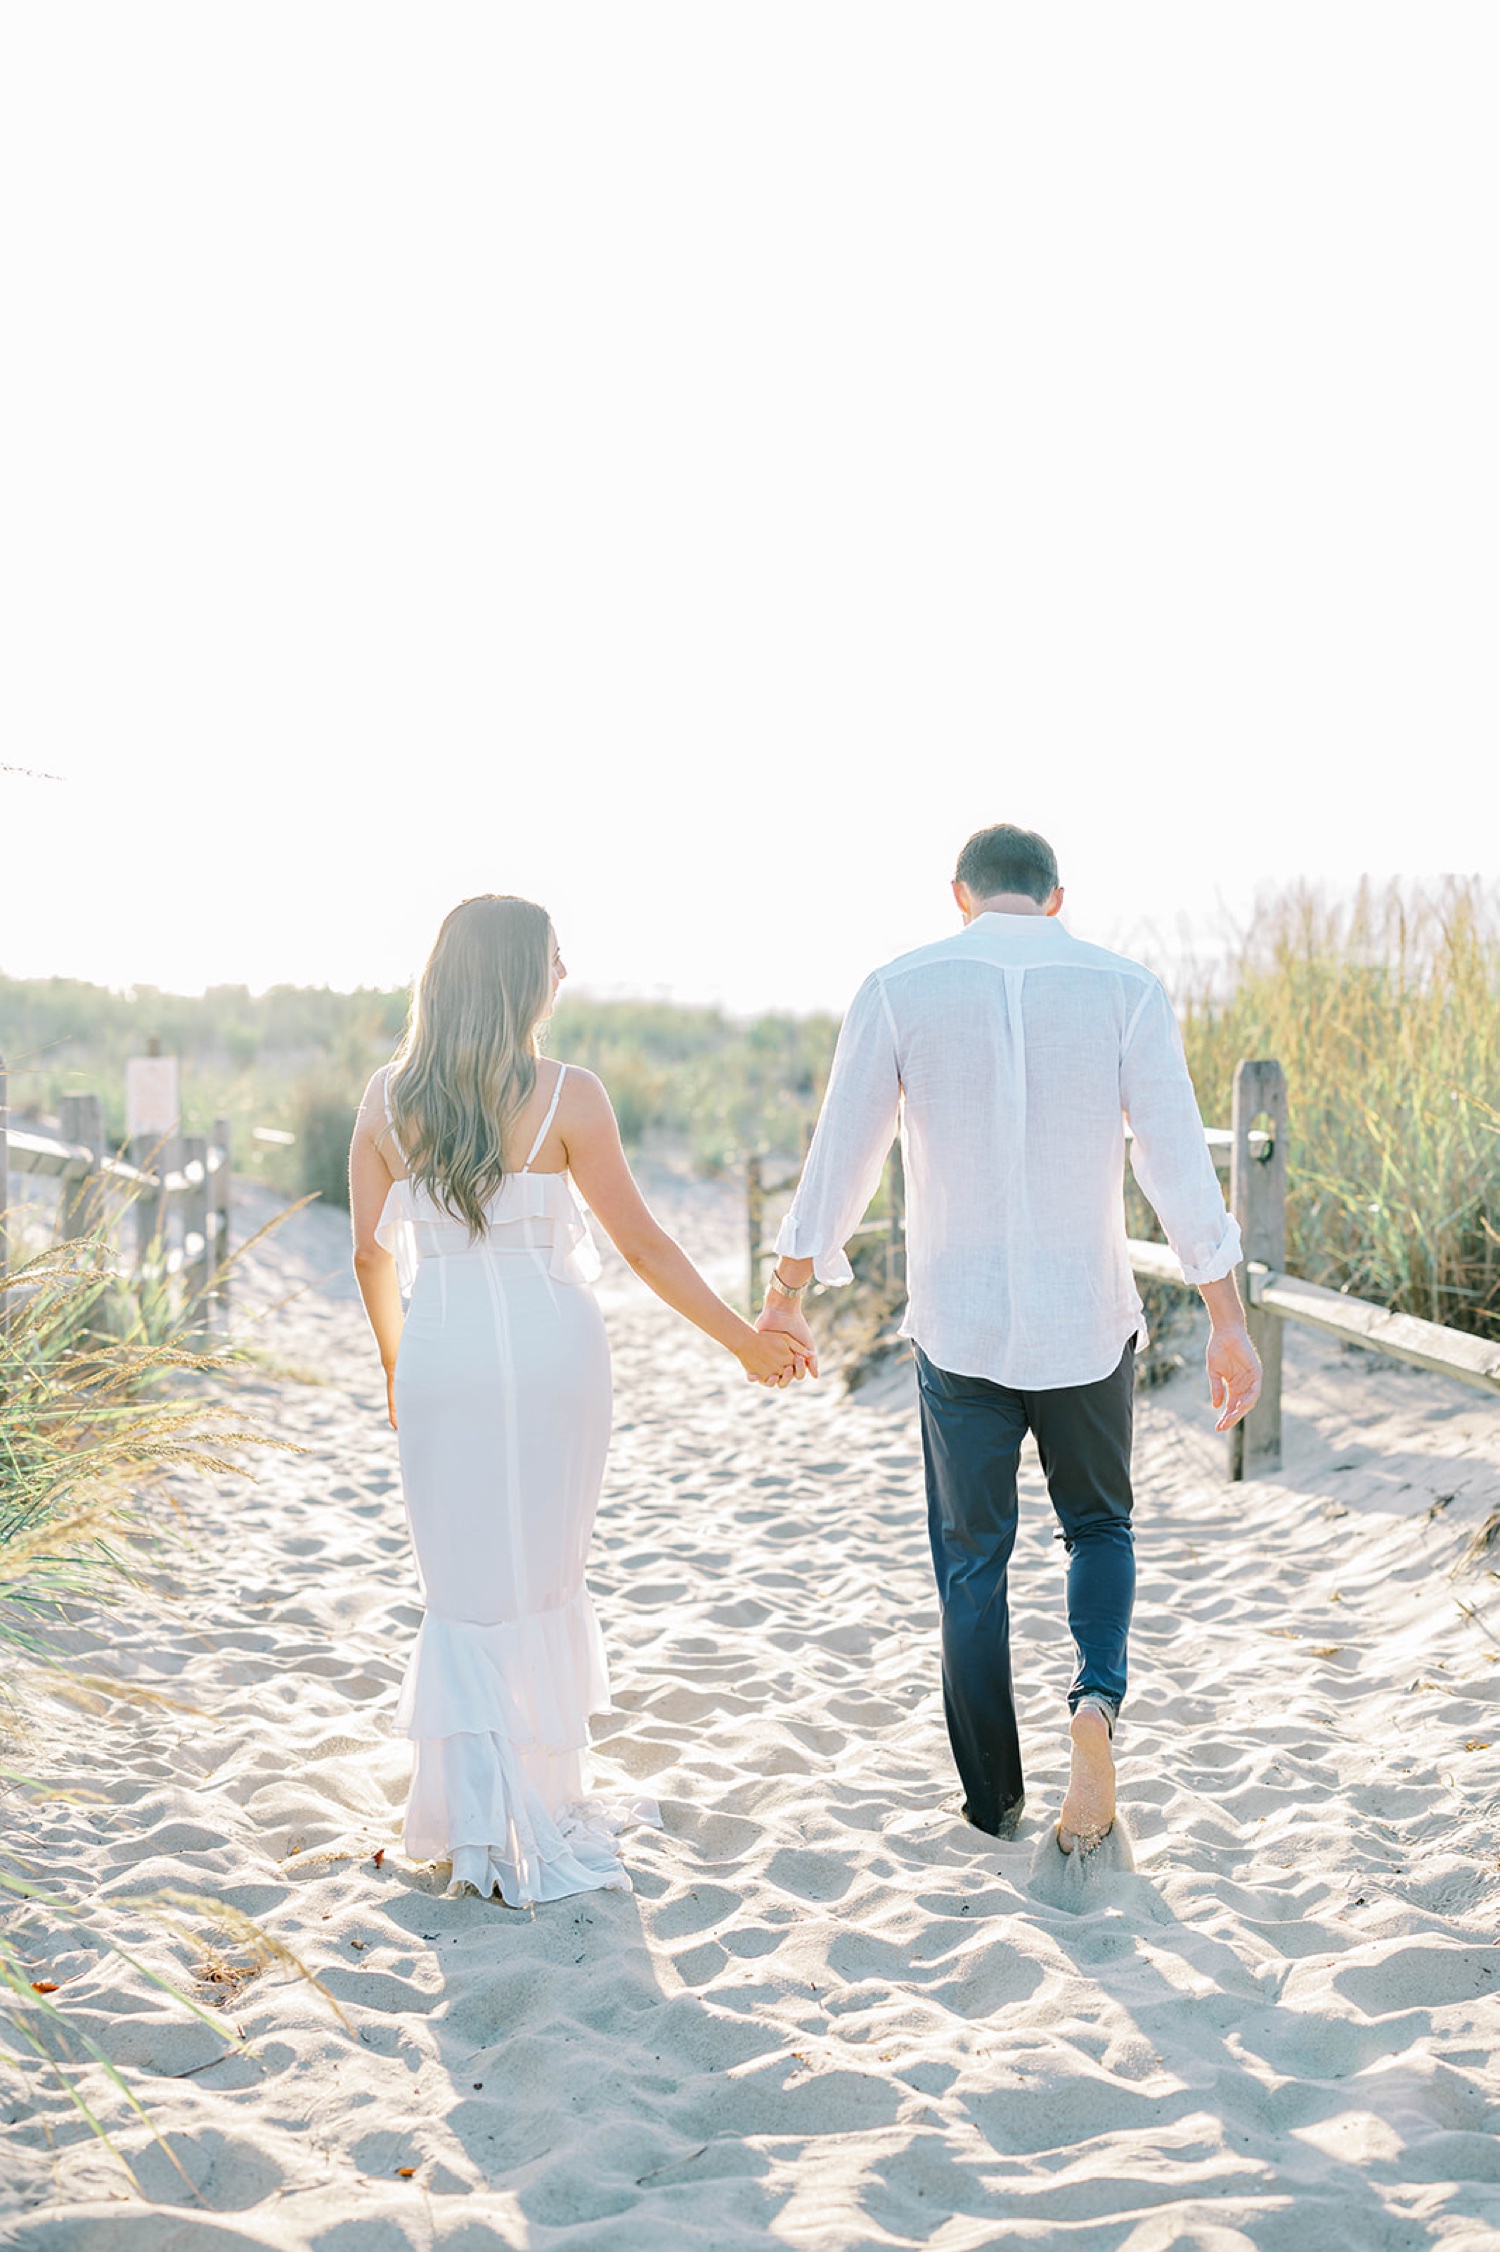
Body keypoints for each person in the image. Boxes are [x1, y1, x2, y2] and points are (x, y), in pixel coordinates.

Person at [756, 824, 1261, 1854]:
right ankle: (1095, 1701)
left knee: (972, 1563)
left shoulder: (902, 985)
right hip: (1088, 1318)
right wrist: (1228, 1320)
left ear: (960, 895)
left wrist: (787, 1290)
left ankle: (995, 1800)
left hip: (961, 1325)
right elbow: (1176, 1165)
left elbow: (841, 1151)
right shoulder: (1125, 988)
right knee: (1100, 1527)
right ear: (1057, 896)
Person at [350, 894, 807, 1907]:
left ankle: (474, 1817)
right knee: (544, 1576)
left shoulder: (384, 1100)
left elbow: (369, 1253)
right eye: (555, 956)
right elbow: (642, 1244)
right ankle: (544, 1797)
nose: (566, 969)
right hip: (557, 1352)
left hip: (440, 1351)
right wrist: (742, 1340)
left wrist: (395, 1363)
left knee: (463, 1584)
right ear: (522, 977)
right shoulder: (571, 1095)